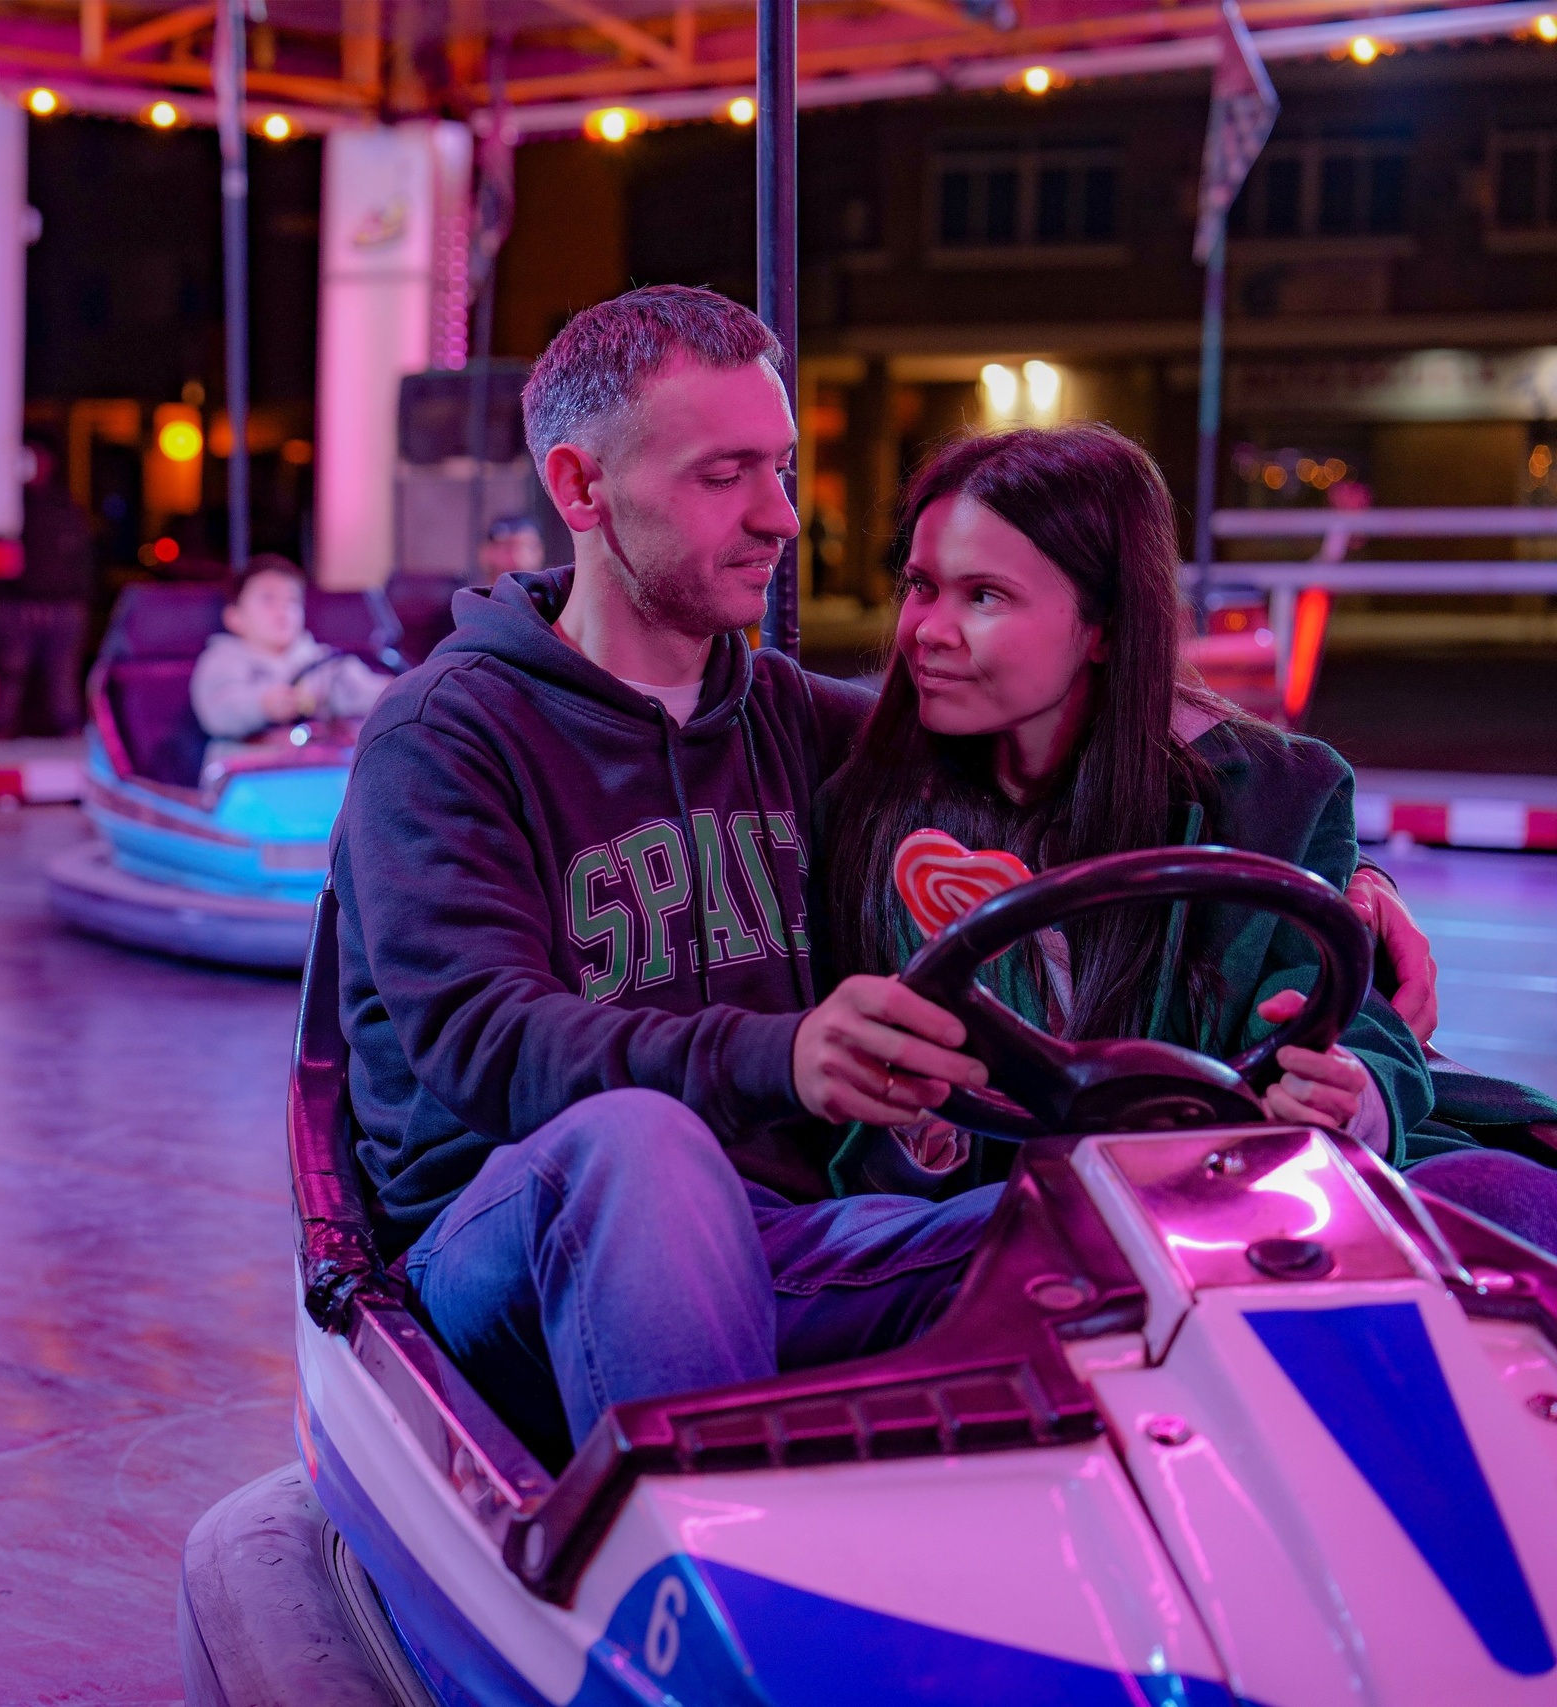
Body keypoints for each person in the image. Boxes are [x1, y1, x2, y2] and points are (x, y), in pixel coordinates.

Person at [331, 286, 1445, 1470]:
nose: (779, 518)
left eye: (782, 468)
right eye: (724, 476)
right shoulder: (444, 737)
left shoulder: (789, 722)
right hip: (513, 1246)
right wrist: (786, 1054)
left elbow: (1065, 769)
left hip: (793, 1241)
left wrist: (1346, 889)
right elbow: (480, 1038)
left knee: (1125, 1228)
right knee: (642, 1147)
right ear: (580, 489)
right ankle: (716, 1582)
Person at [816, 423, 1557, 1250]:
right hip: (1021, 1228)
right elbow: (868, 1132)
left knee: (1505, 1199)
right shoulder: (874, 808)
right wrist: (919, 1130)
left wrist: (1349, 1090)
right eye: (921, 585)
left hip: (1260, 1202)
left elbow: (1357, 1013)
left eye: (983, 595)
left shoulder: (1276, 790)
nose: (928, 630)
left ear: (1103, 627)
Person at [190, 555, 387, 746]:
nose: (283, 609)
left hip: (312, 766)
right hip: (245, 767)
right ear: (234, 617)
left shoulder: (321, 659)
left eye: (292, 600)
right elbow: (217, 711)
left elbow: (360, 690)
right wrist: (263, 705)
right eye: (268, 599)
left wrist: (397, 691)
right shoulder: (223, 658)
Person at [0, 443, 96, 739]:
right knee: (10, 672)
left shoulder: (66, 508)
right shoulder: (6, 505)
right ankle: (0, 729)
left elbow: (82, 559)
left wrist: (76, 598)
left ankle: (70, 730)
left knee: (62, 675)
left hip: (63, 605)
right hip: (16, 604)